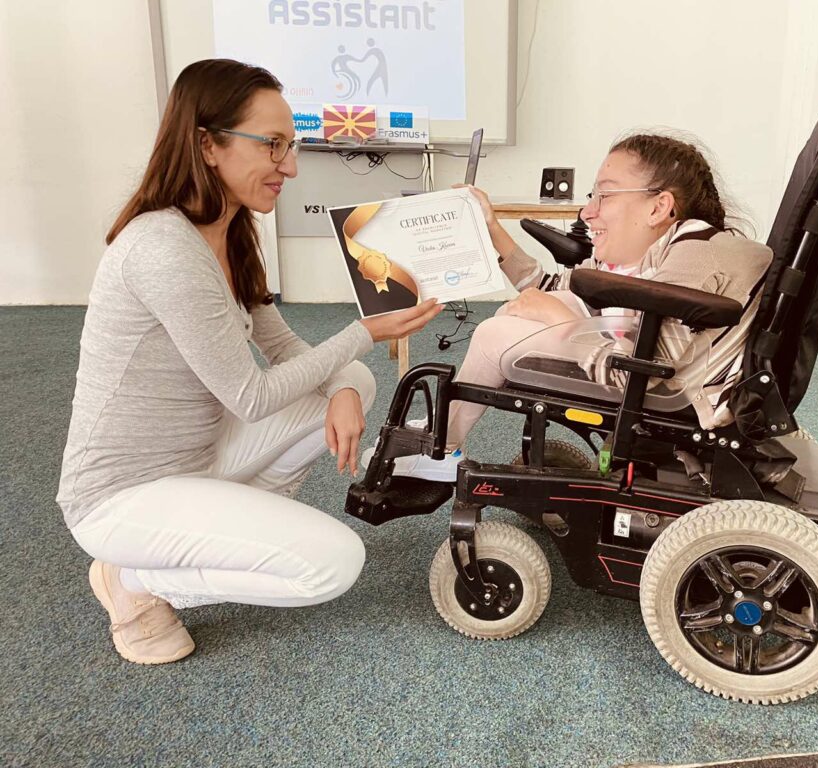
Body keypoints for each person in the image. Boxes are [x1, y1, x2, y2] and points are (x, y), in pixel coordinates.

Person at [57, 59, 443, 665]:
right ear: (207, 144)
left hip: (196, 455)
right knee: (333, 564)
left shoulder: (229, 233)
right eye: (273, 145)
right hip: (120, 496)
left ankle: (225, 527)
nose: (289, 166)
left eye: (290, 146)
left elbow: (289, 350)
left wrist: (345, 384)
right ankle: (133, 581)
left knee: (354, 383)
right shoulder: (164, 249)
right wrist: (362, 332)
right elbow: (252, 397)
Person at [382, 132, 773, 482]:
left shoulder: (694, 261)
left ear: (658, 207)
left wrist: (561, 319)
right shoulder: (667, 250)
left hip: (675, 392)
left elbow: (644, 370)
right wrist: (491, 228)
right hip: (657, 369)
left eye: (605, 195)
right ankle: (446, 435)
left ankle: (441, 448)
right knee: (524, 309)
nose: (588, 212)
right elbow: (551, 288)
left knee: (493, 334)